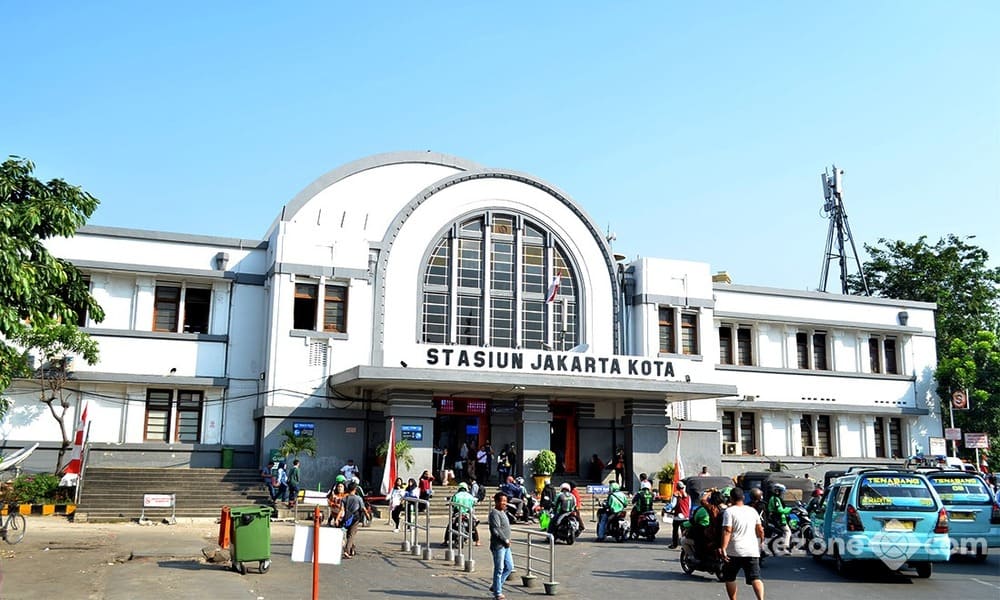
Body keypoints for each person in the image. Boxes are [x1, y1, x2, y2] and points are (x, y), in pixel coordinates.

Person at [719, 486, 765, 600]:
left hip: (734, 550)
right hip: (751, 550)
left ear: (731, 498)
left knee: (730, 577)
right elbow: (760, 530)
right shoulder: (752, 511)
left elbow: (727, 530)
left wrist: (723, 548)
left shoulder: (729, 512)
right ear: (743, 497)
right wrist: (761, 542)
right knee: (755, 577)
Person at [488, 491, 513, 600]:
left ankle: (495, 585)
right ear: (497, 501)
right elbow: (496, 530)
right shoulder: (494, 513)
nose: (504, 503)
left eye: (505, 501)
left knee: (509, 567)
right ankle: (498, 593)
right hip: (499, 545)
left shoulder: (503, 512)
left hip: (506, 545)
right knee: (499, 568)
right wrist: (505, 540)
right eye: (502, 501)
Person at [336, 482, 369, 559]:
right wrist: (367, 516)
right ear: (355, 489)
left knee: (349, 534)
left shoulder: (344, 498)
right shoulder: (358, 498)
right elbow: (363, 508)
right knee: (351, 535)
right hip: (355, 518)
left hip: (347, 518)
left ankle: (352, 549)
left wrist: (337, 519)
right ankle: (347, 551)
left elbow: (341, 510)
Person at [766, 483, 792, 555]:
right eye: (781, 491)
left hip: (778, 518)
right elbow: (779, 510)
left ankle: (772, 546)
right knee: (787, 532)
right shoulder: (775, 499)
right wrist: (789, 509)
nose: (782, 493)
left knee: (781, 533)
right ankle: (785, 548)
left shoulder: (774, 498)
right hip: (778, 518)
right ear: (777, 491)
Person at [668, 480, 690, 548]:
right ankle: (684, 545)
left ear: (677, 487)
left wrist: (666, 508)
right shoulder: (688, 496)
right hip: (686, 516)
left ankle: (674, 544)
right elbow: (689, 506)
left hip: (677, 516)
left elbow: (673, 505)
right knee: (684, 531)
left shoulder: (676, 494)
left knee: (675, 531)